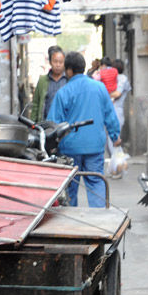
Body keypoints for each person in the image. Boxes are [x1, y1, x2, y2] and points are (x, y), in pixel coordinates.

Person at [48, 51, 121, 207]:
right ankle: (99, 221)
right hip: (94, 146)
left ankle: (71, 224)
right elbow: (110, 115)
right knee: (95, 182)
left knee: (70, 187)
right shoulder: (100, 88)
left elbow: (53, 124)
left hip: (70, 149)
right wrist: (115, 136)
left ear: (69, 70)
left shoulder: (63, 92)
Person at [30, 45, 67, 123]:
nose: (58, 65)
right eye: (55, 61)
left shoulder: (68, 80)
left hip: (64, 124)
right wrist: (32, 124)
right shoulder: (42, 81)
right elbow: (36, 104)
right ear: (50, 62)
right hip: (46, 124)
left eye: (61, 62)